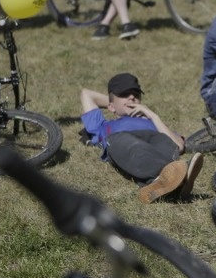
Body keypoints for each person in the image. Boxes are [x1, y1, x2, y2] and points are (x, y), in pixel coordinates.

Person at [80, 72, 204, 203]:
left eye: (136, 95)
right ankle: (174, 178)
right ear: (110, 106)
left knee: (162, 140)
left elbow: (178, 146)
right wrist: (115, 104)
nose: (132, 97)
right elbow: (86, 94)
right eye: (124, 94)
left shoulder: (153, 122)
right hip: (122, 142)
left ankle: (169, 181)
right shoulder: (104, 126)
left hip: (153, 141)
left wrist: (153, 116)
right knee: (129, 144)